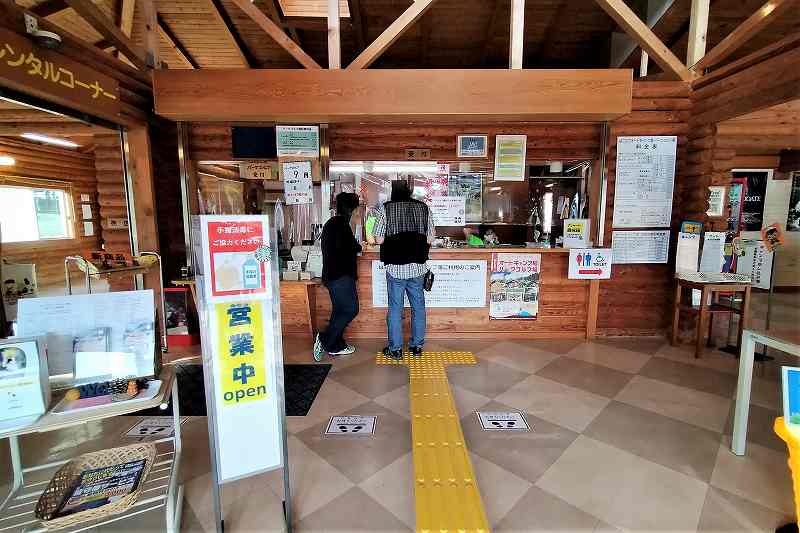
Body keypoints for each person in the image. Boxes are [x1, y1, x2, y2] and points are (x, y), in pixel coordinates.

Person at [373, 179, 436, 360]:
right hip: (418, 267)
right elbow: (430, 238)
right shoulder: (423, 208)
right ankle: (416, 346)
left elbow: (378, 240)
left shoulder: (386, 208)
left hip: (395, 268)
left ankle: (396, 349)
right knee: (419, 307)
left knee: (395, 308)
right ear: (410, 191)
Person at [314, 192, 362, 360]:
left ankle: (336, 344)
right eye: (357, 207)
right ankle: (325, 339)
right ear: (352, 208)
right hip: (340, 276)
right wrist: (357, 246)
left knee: (340, 310)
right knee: (351, 309)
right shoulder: (341, 224)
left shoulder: (335, 223)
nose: (358, 211)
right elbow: (351, 247)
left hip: (333, 275)